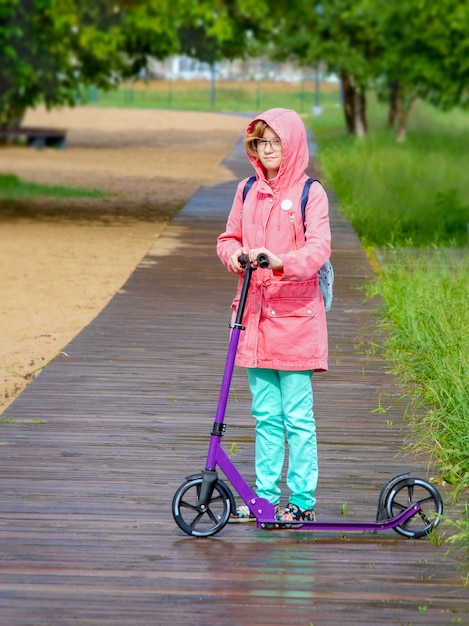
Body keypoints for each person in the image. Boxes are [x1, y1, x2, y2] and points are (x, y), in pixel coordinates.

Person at [217, 108, 331, 523]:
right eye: (261, 143)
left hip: (296, 318)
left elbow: (319, 249)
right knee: (265, 415)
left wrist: (279, 260)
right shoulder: (247, 189)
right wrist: (236, 255)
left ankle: (301, 501)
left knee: (298, 417)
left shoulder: (309, 193)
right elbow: (228, 237)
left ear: (292, 145)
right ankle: (262, 498)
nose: (267, 150)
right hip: (254, 320)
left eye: (275, 142)